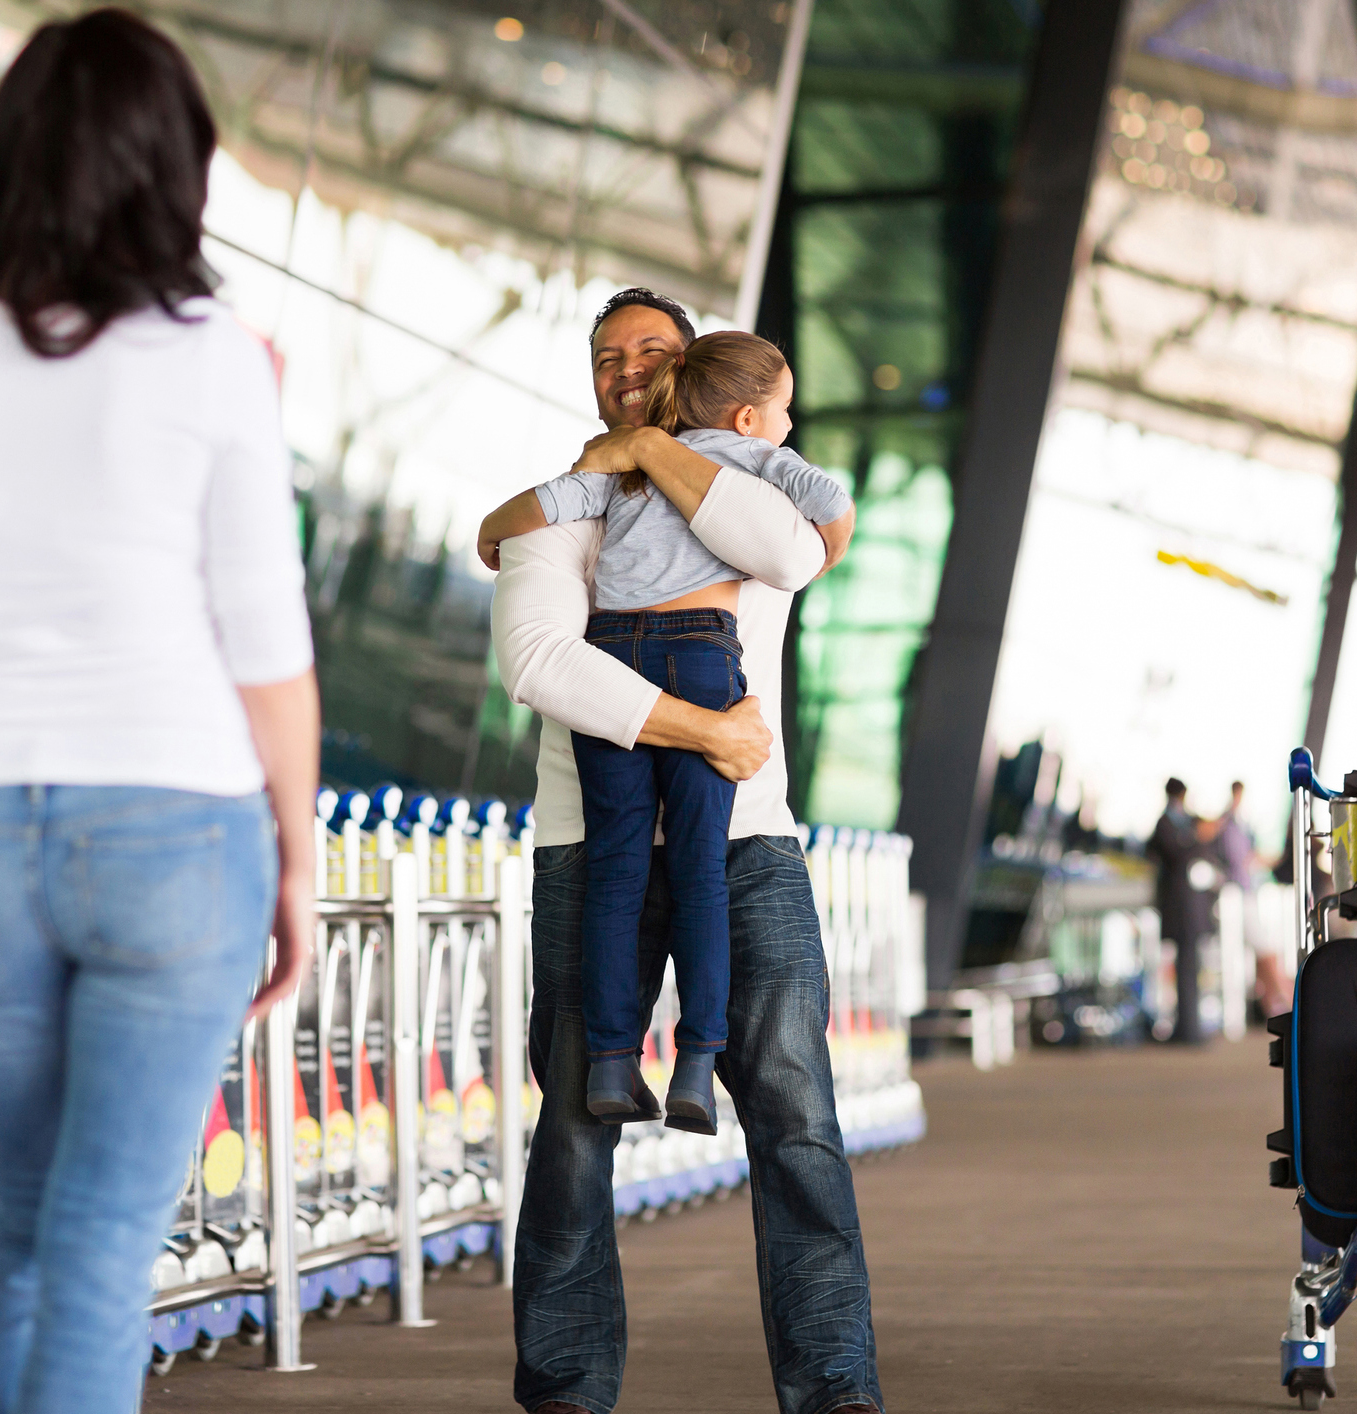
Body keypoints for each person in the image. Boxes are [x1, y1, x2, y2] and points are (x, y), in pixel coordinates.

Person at [0, 13, 317, 1411]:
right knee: (105, 1246)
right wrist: (292, 859)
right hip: (178, 828)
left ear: (2, 159)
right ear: (177, 170)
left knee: (28, 1232)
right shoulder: (212, 353)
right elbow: (267, 653)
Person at [492, 288, 883, 1414]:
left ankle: (836, 1386)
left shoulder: (748, 483)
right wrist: (707, 727)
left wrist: (659, 450)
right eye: (608, 355)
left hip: (749, 842)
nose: (626, 367)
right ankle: (565, 1386)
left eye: (652, 351)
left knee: (796, 1109)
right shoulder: (573, 504)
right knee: (574, 1117)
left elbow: (794, 555)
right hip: (592, 841)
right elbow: (540, 663)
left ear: (695, 365)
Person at [478, 332, 853, 1135]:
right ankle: (694, 1061)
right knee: (700, 876)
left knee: (617, 874)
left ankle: (614, 1061)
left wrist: (494, 528)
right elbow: (826, 519)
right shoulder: (751, 461)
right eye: (782, 411)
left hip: (613, 645)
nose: (786, 424)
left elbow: (520, 518)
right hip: (699, 657)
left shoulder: (612, 474)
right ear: (749, 413)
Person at [1146, 777, 1215, 1045]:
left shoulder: (1173, 824)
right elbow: (1175, 854)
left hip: (1185, 907)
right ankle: (1188, 1028)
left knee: (1188, 967)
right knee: (1187, 968)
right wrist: (1197, 838)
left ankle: (1189, 1026)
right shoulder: (1174, 826)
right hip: (1183, 907)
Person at [1216, 781, 1291, 1015]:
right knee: (1266, 950)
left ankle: (1272, 1008)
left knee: (1264, 955)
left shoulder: (1240, 825)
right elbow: (1241, 861)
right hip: (1239, 897)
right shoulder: (1228, 825)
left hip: (1249, 895)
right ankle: (1289, 1002)